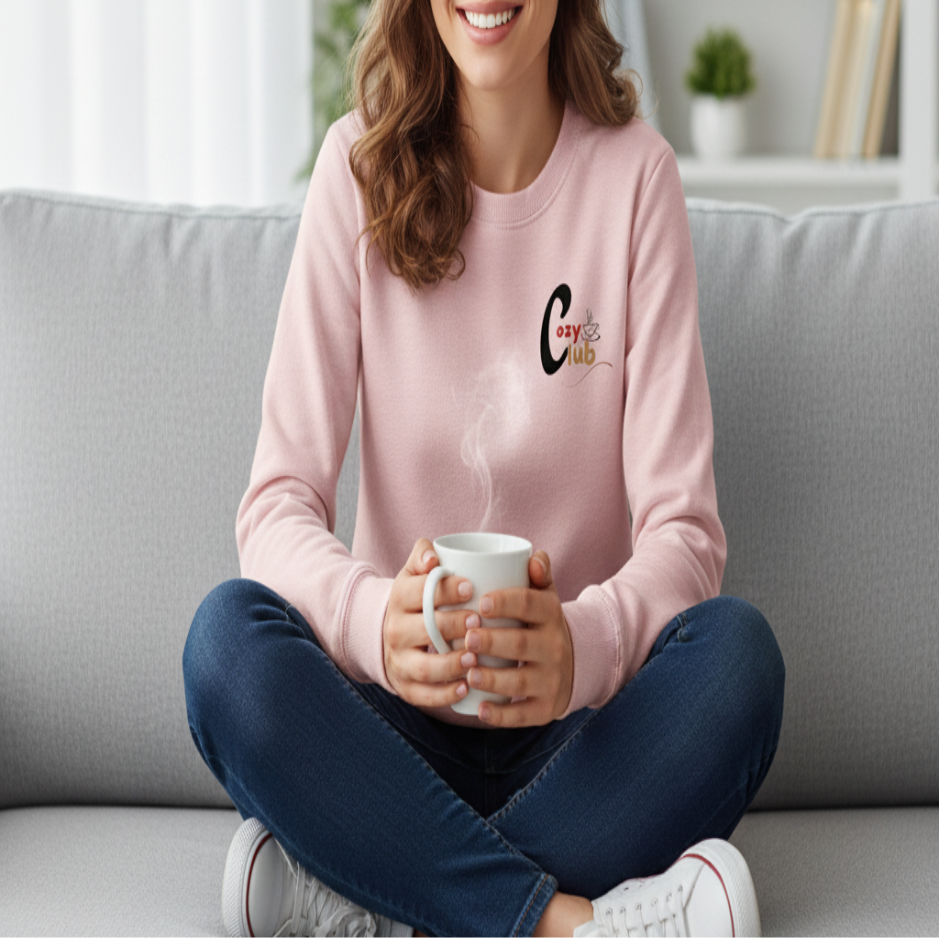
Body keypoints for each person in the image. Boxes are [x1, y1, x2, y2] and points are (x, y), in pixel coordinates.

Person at [182, 0, 785, 936]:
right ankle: (565, 924)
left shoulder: (636, 178)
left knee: (739, 659)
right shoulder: (356, 172)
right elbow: (276, 506)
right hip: (389, 732)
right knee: (225, 643)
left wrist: (578, 648)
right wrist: (376, 621)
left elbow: (685, 534)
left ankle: (374, 896)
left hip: (580, 737)